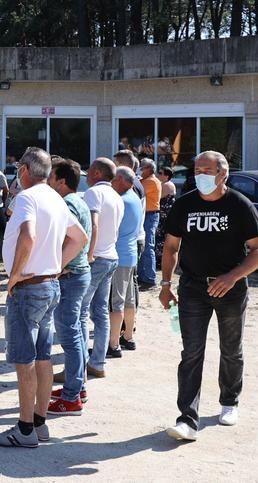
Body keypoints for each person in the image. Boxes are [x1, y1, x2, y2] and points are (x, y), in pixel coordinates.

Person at [160, 151, 258, 441]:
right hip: (192, 288)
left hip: (230, 290)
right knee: (191, 352)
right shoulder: (184, 205)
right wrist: (165, 283)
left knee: (231, 348)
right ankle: (187, 419)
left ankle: (229, 401)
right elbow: (171, 247)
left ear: (223, 173)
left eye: (207, 170)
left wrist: (232, 276)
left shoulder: (239, 204)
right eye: (197, 170)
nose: (200, 175)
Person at [0, 148, 87, 449]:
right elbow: (80, 237)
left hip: (29, 286)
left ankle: (25, 428)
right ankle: (39, 423)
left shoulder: (27, 198)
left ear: (25, 170)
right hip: (49, 285)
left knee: (25, 360)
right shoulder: (56, 199)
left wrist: (15, 275)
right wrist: (56, 265)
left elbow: (28, 236)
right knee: (43, 357)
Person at [46, 158, 93, 416]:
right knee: (75, 332)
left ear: (62, 181)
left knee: (70, 335)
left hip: (70, 275)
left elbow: (71, 239)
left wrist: (57, 266)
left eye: (51, 177)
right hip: (77, 273)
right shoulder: (80, 202)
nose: (48, 181)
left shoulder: (67, 205)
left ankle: (72, 397)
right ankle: (78, 386)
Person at [79, 158, 123, 380]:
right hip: (111, 256)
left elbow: (93, 224)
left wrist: (88, 254)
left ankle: (78, 367)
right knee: (100, 312)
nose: (86, 176)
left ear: (96, 173)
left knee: (79, 312)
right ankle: (97, 362)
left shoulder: (94, 194)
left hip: (97, 258)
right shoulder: (117, 195)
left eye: (88, 172)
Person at [108, 167, 142, 357]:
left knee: (116, 302)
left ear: (120, 179)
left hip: (119, 255)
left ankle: (113, 344)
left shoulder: (120, 201)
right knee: (129, 299)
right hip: (130, 255)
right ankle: (128, 336)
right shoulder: (135, 198)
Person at [138, 159, 162, 289]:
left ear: (149, 168)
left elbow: (136, 191)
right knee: (144, 246)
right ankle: (144, 277)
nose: (140, 170)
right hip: (147, 215)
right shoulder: (146, 180)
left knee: (148, 246)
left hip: (150, 215)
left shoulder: (151, 181)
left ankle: (149, 279)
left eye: (142, 167)